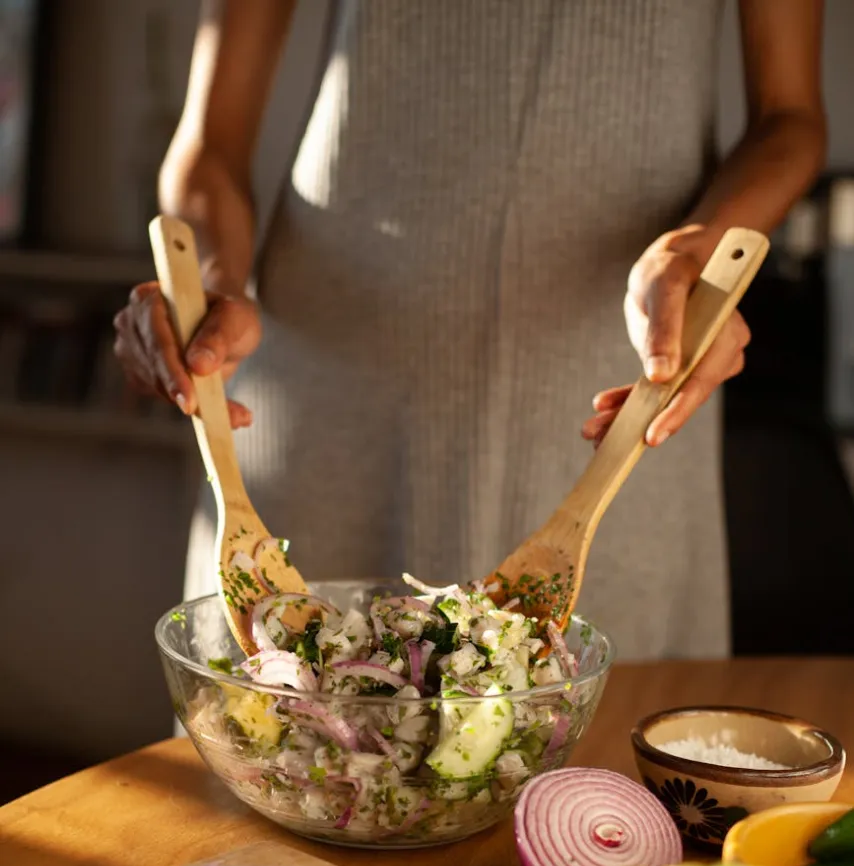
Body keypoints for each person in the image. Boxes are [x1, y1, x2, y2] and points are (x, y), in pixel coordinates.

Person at [114, 0, 826, 659]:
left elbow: (789, 118)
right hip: (329, 383)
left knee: (601, 736)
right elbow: (211, 141)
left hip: (622, 384)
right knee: (269, 720)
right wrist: (211, 286)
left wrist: (697, 252)